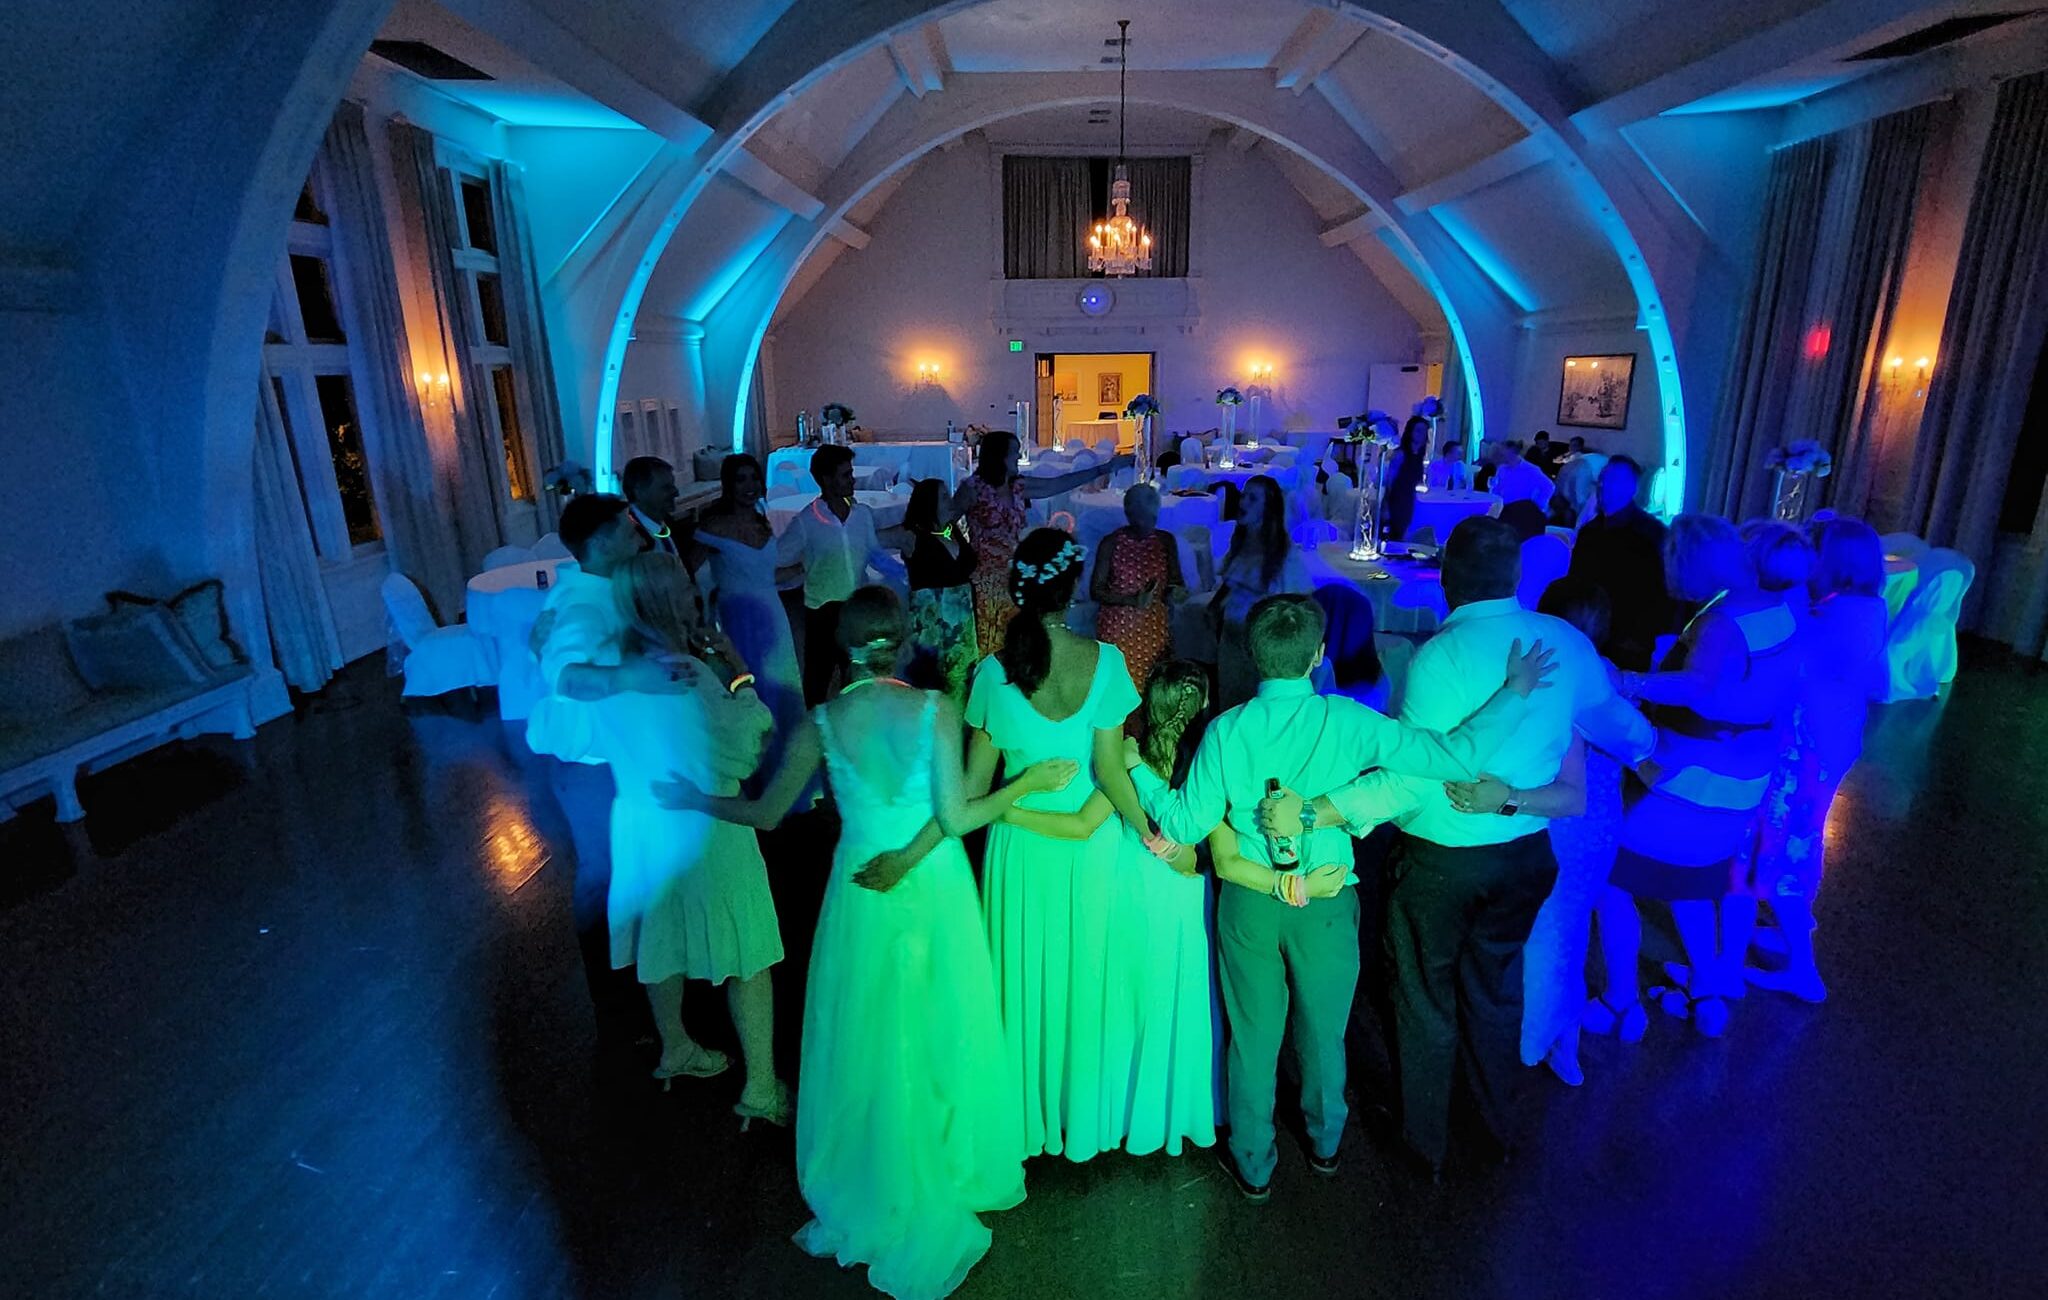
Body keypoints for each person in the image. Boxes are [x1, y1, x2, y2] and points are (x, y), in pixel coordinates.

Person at [664, 586, 1074, 1300]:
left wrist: (695, 799)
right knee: (944, 1022)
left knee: (872, 1034)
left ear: (841, 642)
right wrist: (1026, 783)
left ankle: (880, 1168)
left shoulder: (821, 722)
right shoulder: (933, 711)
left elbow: (764, 813)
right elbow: (955, 816)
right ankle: (951, 1160)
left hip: (860, 893)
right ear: (904, 639)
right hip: (935, 888)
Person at [1134, 592, 1553, 1199]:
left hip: (1250, 901)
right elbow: (1456, 755)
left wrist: (1139, 772)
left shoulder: (1227, 730)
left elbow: (1181, 828)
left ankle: (1254, 1163)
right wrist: (1514, 689)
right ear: (1319, 656)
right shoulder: (1349, 720)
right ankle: (1326, 1143)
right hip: (1328, 903)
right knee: (1324, 1033)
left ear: (1253, 658)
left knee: (1253, 1038)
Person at [1271, 516, 1653, 1176]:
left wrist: (1327, 811)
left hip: (1443, 864)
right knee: (1495, 994)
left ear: (1447, 576)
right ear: (1514, 577)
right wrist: (1662, 750)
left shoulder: (1439, 657)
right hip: (1525, 856)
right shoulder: (1559, 639)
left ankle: (1426, 1144)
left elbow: (1414, 776)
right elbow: (1626, 731)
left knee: (1423, 999)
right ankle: (1491, 1131)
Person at [964, 528, 1157, 1163]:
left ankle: (1025, 1119)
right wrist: (1151, 830)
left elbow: (972, 793)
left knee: (1024, 980)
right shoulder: (1107, 662)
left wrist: (1015, 799)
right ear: (1074, 589)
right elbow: (1110, 769)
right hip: (1088, 845)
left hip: (1020, 849)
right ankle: (1085, 1119)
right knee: (1085, 978)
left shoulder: (992, 673)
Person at [993, 658, 1221, 1159]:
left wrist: (1006, 809)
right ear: (1204, 704)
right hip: (1180, 906)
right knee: (1174, 1002)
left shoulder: (1123, 759)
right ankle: (1168, 1117)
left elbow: (1079, 824)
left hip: (1127, 899)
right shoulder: (1210, 761)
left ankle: (1118, 1116)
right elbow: (1199, 852)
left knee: (1127, 1009)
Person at [1599, 514, 1802, 1040]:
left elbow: (1699, 688)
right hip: (1743, 777)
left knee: (1611, 879)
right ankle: (1707, 991)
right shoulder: (1775, 606)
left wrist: (1626, 681)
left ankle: (1621, 1002)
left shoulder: (1723, 620)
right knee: (1692, 885)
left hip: (1694, 777)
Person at [598, 552, 788, 1111]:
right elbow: (747, 746)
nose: (693, 589)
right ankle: (759, 1088)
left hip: (640, 823)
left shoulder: (611, 669)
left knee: (663, 935)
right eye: (683, 584)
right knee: (750, 953)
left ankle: (676, 1047)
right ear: (662, 599)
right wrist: (739, 673)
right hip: (708, 826)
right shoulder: (688, 673)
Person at [525, 493, 662, 1043]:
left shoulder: (596, 591)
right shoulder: (585, 604)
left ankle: (631, 994)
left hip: (604, 760)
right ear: (601, 538)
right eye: (627, 522)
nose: (636, 529)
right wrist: (634, 679)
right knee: (605, 878)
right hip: (591, 767)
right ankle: (618, 1006)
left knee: (618, 874)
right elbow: (565, 675)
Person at [1742, 518, 1888, 1003]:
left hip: (1808, 745)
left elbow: (1789, 660)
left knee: (1784, 845)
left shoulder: (1832, 619)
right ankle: (1790, 929)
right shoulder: (1866, 608)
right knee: (1800, 839)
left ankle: (1803, 970)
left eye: (1813, 547)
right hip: (1835, 737)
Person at [1521, 577, 1625, 1083]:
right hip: (1602, 820)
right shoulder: (1608, 675)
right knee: (1574, 925)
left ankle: (1534, 1041)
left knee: (1547, 932)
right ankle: (1566, 1044)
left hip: (1563, 817)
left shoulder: (1554, 676)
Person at [953, 429, 1133, 648]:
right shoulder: (972, 488)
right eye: (1014, 453)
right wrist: (957, 549)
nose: (1019, 457)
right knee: (989, 637)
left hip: (1017, 574)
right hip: (984, 577)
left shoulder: (1017, 486)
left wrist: (1104, 468)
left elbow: (1059, 484)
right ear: (999, 456)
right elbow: (946, 522)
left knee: (1016, 637)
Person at [688, 454, 804, 776]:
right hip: (739, 617)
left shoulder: (760, 518)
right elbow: (686, 575)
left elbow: (764, 575)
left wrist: (805, 568)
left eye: (754, 478)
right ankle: (756, 771)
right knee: (753, 685)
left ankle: (787, 773)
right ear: (727, 484)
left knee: (783, 685)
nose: (750, 486)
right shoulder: (712, 526)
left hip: (774, 613)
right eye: (741, 479)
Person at [778, 445, 899, 705]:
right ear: (826, 479)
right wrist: (800, 570)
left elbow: (874, 553)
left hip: (856, 608)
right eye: (846, 475)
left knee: (858, 678)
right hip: (821, 611)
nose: (852, 480)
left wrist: (901, 574)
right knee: (817, 681)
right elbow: (777, 559)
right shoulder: (806, 521)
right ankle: (817, 731)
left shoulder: (862, 514)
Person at [1212, 474, 1310, 709]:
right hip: (1231, 640)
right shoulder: (1241, 544)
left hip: (1259, 645)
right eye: (1244, 496)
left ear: (1268, 509)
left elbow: (1298, 600)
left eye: (1253, 499)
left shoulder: (1284, 555)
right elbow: (1231, 582)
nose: (1243, 503)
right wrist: (1214, 608)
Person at [1568, 455, 1671, 670]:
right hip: (1589, 634)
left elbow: (1660, 595)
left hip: (1628, 641)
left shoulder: (1651, 535)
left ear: (1632, 488)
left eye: (1613, 480)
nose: (1603, 485)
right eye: (1602, 479)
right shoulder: (1590, 532)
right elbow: (1576, 583)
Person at [1091, 482, 1185, 694]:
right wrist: (1131, 600)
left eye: (1152, 518)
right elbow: (1096, 590)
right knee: (1119, 691)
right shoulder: (1111, 543)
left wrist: (1177, 591)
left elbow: (1176, 580)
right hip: (1118, 624)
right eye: (1141, 517)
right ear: (1129, 514)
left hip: (1155, 623)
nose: (1147, 524)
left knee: (1156, 688)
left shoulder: (1165, 540)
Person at [901, 477, 980, 701]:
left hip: (961, 624)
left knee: (962, 687)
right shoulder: (913, 536)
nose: (950, 499)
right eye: (944, 496)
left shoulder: (951, 529)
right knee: (930, 690)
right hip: (931, 627)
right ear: (929, 503)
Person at [1381, 417, 1430, 542]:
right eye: (1418, 430)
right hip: (1397, 500)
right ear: (1410, 432)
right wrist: (1386, 504)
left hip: (1409, 499)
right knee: (1394, 534)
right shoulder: (1401, 454)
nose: (1422, 435)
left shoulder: (1419, 456)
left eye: (1424, 431)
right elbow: (1389, 481)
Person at [621, 456, 681, 556]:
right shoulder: (630, 539)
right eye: (666, 487)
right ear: (639, 492)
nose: (676, 492)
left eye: (673, 485)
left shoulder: (668, 523)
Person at [1485, 440, 1558, 515]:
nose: (1499, 456)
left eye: (1502, 453)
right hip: (1503, 510)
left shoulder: (1531, 469)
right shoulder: (1501, 468)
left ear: (1511, 451)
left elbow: (1549, 486)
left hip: (1522, 513)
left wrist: (1537, 506)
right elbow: (1496, 488)